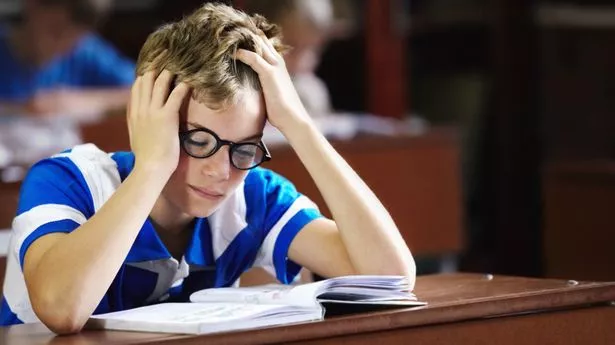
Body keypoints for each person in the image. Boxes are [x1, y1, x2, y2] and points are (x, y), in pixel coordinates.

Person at [0, 3, 416, 333]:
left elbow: (391, 278)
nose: (222, 171)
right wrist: (152, 167)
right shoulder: (67, 181)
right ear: (146, 120)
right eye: (197, 141)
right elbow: (61, 309)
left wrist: (299, 126)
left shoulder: (253, 196)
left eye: (245, 149)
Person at [0, 0, 135, 117]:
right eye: (55, 30)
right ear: (32, 4)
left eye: (74, 37)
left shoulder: (85, 51)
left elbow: (146, 88)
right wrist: (18, 110)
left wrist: (87, 102)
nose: (60, 44)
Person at [243, 0, 334, 118]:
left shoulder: (313, 89)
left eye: (312, 48)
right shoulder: (243, 88)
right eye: (291, 46)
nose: (302, 61)